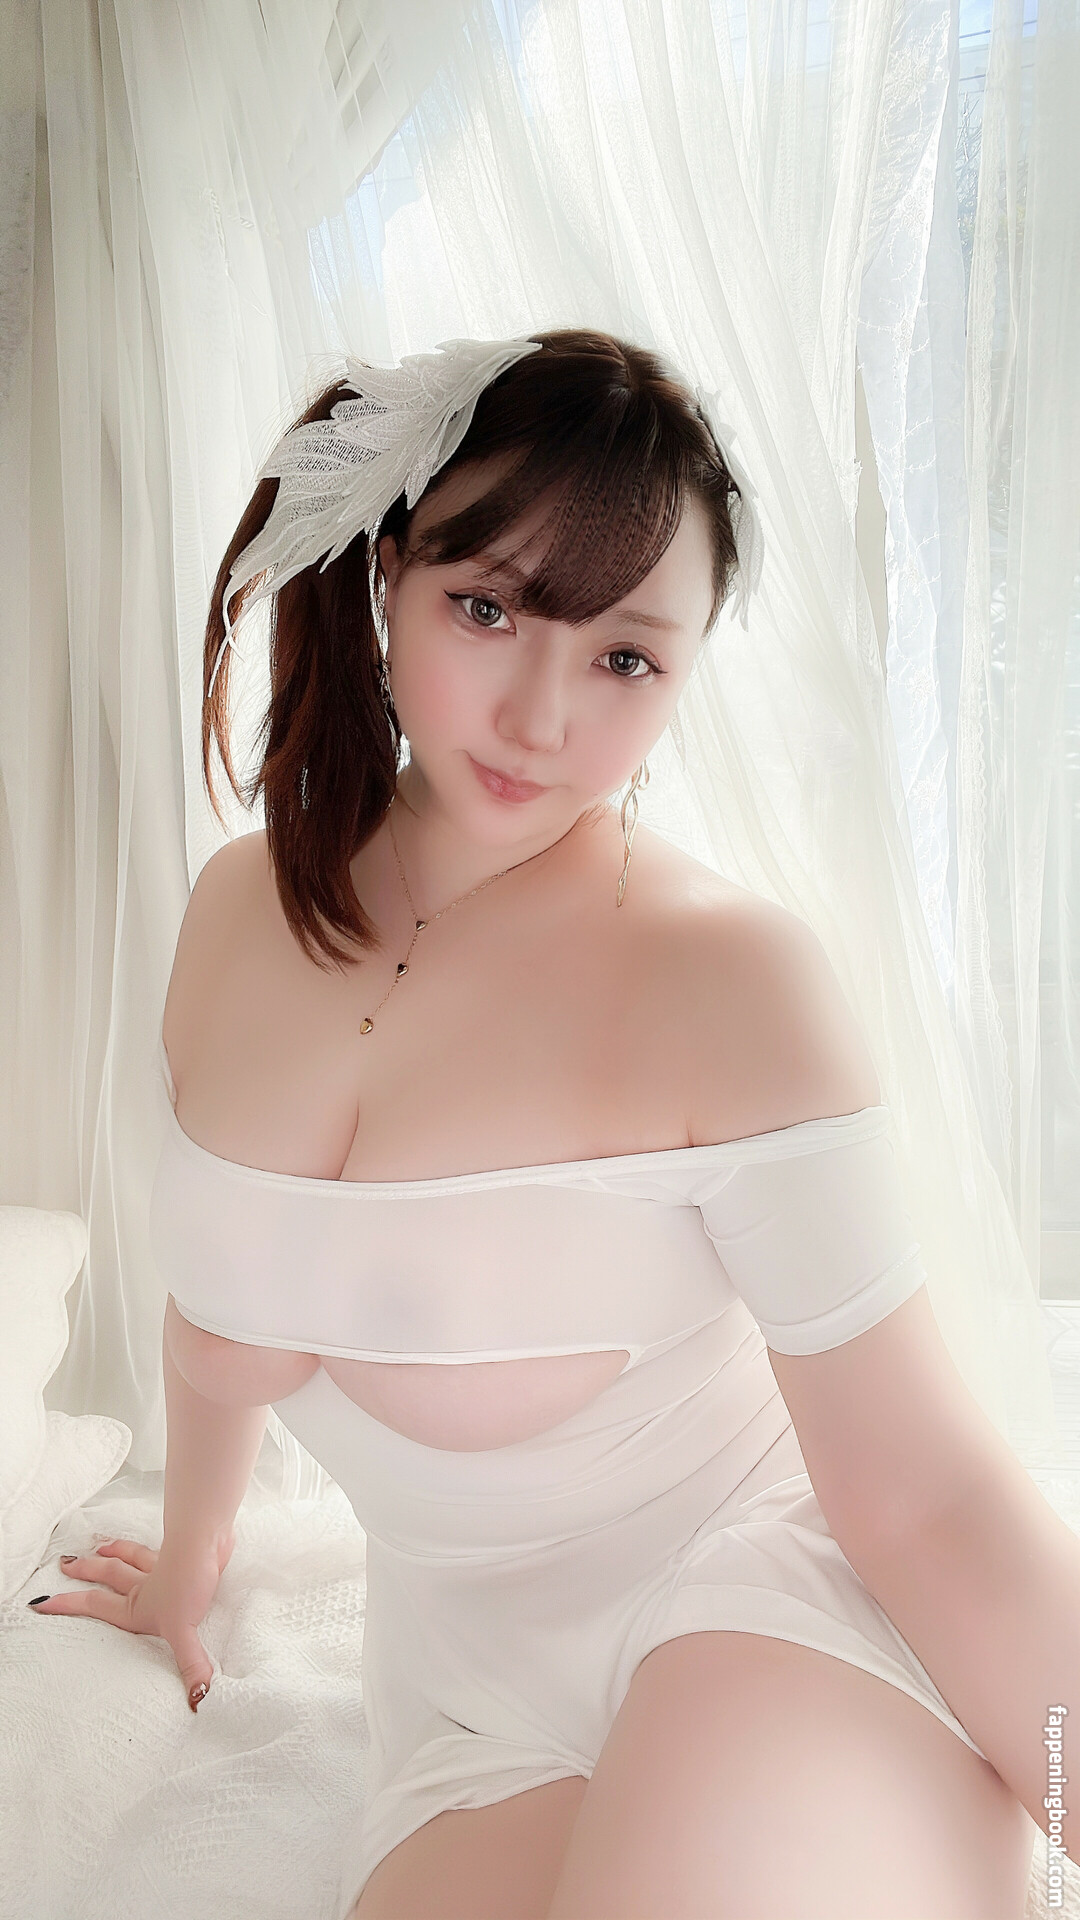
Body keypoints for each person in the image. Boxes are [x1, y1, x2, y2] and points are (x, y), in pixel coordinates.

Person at [34, 331, 1041, 1918]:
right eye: (490, 610)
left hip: (768, 1614)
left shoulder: (726, 977)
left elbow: (927, 1495)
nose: (541, 713)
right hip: (468, 1705)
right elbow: (218, 1311)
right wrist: (189, 1558)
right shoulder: (233, 914)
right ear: (388, 576)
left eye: (626, 660)